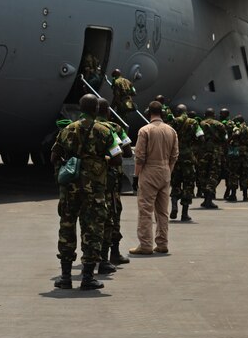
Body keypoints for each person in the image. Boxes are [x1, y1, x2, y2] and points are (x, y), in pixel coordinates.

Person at [50, 94, 123, 290]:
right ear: (97, 110)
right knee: (92, 230)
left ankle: (65, 277)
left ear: (81, 108)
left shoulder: (67, 129)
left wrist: (66, 168)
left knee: (67, 227)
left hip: (70, 189)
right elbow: (118, 158)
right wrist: (100, 161)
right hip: (94, 191)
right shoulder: (105, 131)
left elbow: (54, 155)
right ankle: (88, 277)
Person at [131, 101, 179, 254]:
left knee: (145, 210)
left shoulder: (145, 130)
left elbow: (139, 157)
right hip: (165, 171)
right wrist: (167, 171)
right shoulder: (171, 131)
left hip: (149, 172)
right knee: (162, 211)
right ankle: (162, 243)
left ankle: (145, 245)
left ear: (148, 113)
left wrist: (135, 176)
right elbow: (174, 155)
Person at [96, 98, 133, 270]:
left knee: (92, 217)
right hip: (111, 181)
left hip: (90, 181)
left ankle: (92, 254)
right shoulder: (115, 128)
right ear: (108, 112)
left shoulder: (79, 128)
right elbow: (126, 152)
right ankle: (113, 253)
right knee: (113, 215)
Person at [169, 103, 203, 221]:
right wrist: (193, 147)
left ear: (177, 112)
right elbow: (201, 137)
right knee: (188, 184)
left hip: (175, 156)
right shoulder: (193, 123)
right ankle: (184, 213)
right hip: (188, 157)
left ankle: (174, 205)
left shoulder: (173, 122)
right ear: (186, 111)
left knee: (175, 182)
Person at [198, 108, 227, 208]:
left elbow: (196, 137)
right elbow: (224, 139)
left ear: (205, 114)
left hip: (203, 153)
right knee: (213, 174)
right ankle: (209, 200)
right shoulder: (219, 124)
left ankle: (205, 198)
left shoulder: (200, 124)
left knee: (203, 174)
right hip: (215, 153)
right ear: (214, 115)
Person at [224, 114, 248, 202]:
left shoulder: (236, 129)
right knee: (244, 175)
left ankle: (233, 195)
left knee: (234, 174)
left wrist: (229, 140)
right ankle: (245, 196)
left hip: (236, 155)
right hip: (245, 155)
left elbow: (236, 135)